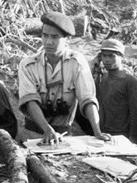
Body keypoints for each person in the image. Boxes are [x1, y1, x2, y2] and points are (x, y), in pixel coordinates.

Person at [18, 12, 110, 145]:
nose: (48, 42)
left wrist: (97, 131)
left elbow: (87, 98)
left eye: (55, 37)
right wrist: (47, 130)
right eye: (45, 36)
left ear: (66, 39)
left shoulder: (77, 62)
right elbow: (30, 101)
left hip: (63, 136)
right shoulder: (28, 65)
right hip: (33, 135)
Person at [95, 39, 137, 143]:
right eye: (104, 56)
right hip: (105, 135)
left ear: (121, 57)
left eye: (111, 56)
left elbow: (136, 115)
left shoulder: (130, 81)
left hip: (122, 136)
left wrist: (132, 141)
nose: (106, 60)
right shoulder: (103, 79)